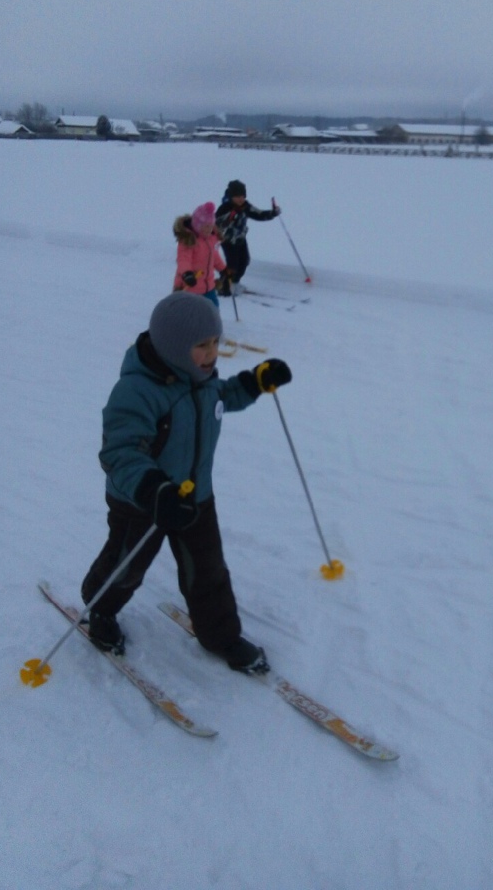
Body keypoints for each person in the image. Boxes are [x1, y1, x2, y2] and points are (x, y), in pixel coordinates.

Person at [81, 292, 293, 674]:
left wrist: (254, 382)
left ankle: (221, 636)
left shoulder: (202, 379)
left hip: (196, 498)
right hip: (142, 501)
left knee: (208, 570)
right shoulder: (137, 391)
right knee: (126, 566)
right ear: (174, 348)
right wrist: (152, 489)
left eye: (216, 342)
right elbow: (120, 451)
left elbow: (222, 396)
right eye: (202, 345)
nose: (212, 353)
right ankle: (99, 610)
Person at [215, 180, 280, 294]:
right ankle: (224, 287)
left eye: (243, 196)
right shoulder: (225, 208)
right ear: (231, 196)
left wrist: (272, 213)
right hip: (228, 240)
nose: (241, 199)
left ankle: (234, 282)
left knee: (244, 261)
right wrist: (230, 217)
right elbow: (216, 224)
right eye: (237, 196)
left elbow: (258, 214)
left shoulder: (245, 206)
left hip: (240, 238)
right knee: (232, 264)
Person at [173, 202, 226, 307]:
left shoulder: (211, 239)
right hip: (190, 285)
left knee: (213, 309)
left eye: (211, 226)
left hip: (208, 286)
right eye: (206, 226)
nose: (209, 229)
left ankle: (212, 323)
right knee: (190, 312)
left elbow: (214, 256)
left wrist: (223, 269)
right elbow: (184, 259)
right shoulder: (188, 240)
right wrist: (187, 274)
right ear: (197, 225)